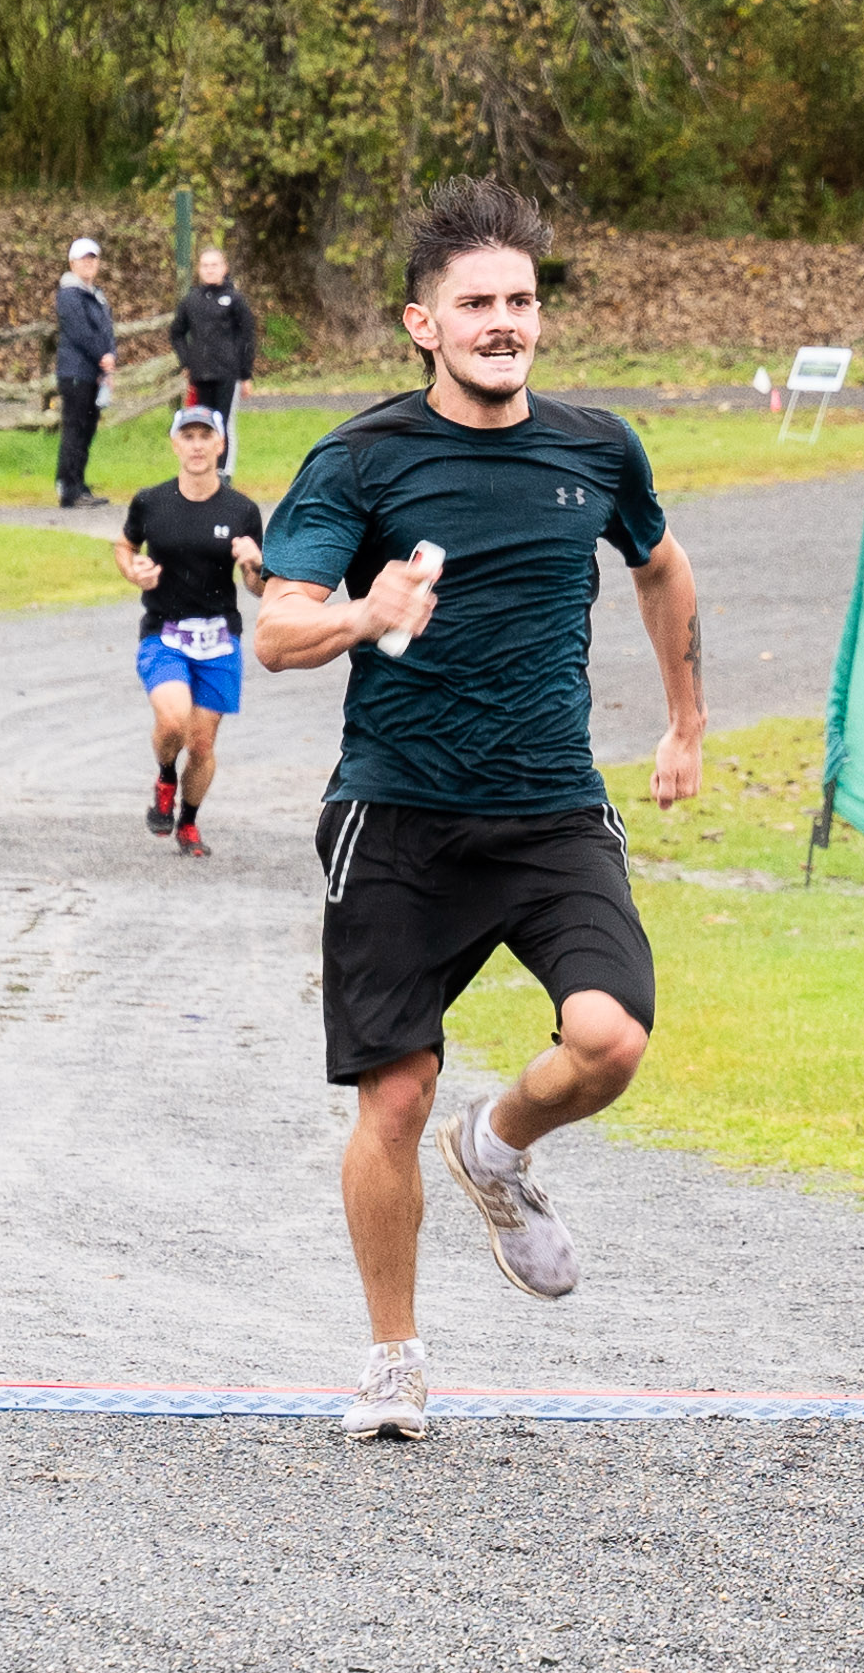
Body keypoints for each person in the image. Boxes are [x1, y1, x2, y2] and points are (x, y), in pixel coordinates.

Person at [254, 176, 706, 1445]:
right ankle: (393, 1361)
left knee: (609, 1040)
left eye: (520, 300)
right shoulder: (361, 458)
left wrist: (685, 719)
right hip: (397, 816)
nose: (503, 321)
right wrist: (365, 612)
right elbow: (278, 628)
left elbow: (660, 566)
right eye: (475, 304)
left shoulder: (596, 447)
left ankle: (498, 1146)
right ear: (423, 324)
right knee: (393, 1096)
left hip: (549, 808)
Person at [115, 406, 266, 858]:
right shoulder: (151, 502)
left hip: (219, 638)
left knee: (201, 744)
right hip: (164, 633)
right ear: (175, 444)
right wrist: (133, 570)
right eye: (188, 436)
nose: (197, 446)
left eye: (205, 436)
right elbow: (125, 545)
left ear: (220, 444)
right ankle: (165, 778)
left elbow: (259, 587)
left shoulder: (242, 511)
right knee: (173, 720)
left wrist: (254, 563)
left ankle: (188, 822)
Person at [167, 248, 259, 471]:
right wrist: (187, 361)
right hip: (200, 374)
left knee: (223, 424)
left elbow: (247, 336)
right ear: (199, 270)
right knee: (203, 425)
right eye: (205, 266)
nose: (210, 270)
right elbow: (176, 332)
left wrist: (245, 374)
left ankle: (224, 472)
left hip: (227, 373)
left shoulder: (235, 299)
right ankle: (204, 472)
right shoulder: (192, 300)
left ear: (224, 268)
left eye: (214, 265)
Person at [52, 237, 118, 509]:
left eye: (93, 259)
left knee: (87, 430)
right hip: (76, 372)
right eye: (83, 259)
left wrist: (111, 355)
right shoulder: (69, 295)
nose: (89, 263)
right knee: (75, 429)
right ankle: (69, 488)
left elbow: (106, 330)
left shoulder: (96, 295)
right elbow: (81, 332)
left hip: (94, 373)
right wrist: (102, 356)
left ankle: (78, 482)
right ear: (72, 263)